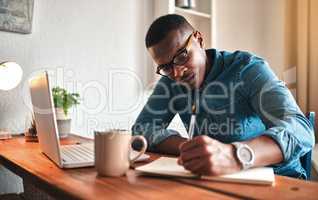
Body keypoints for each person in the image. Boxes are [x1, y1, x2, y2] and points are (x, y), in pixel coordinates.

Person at [132, 14, 314, 179]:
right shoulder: (171, 81)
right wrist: (191, 149)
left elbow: (301, 130)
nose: (178, 73)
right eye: (166, 67)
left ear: (199, 40)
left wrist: (235, 155)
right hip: (214, 181)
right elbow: (141, 129)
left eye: (182, 56)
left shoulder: (248, 69)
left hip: (277, 178)